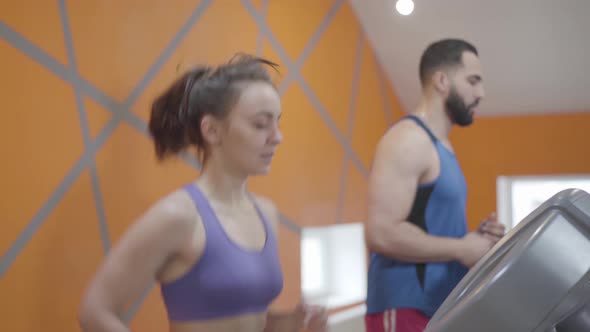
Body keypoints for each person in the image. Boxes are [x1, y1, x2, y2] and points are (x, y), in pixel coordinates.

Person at [78, 54, 328, 332]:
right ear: (212, 130)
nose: (277, 136)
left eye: (277, 122)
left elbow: (248, 319)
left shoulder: (266, 213)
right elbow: (95, 310)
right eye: (260, 124)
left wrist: (293, 323)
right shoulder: (179, 216)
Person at [364, 38, 506, 332]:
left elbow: (428, 225)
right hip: (405, 308)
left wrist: (474, 240)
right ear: (441, 80)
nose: (481, 93)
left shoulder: (441, 146)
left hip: (438, 308)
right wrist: (460, 248)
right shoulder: (408, 139)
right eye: (473, 81)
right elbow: (381, 232)